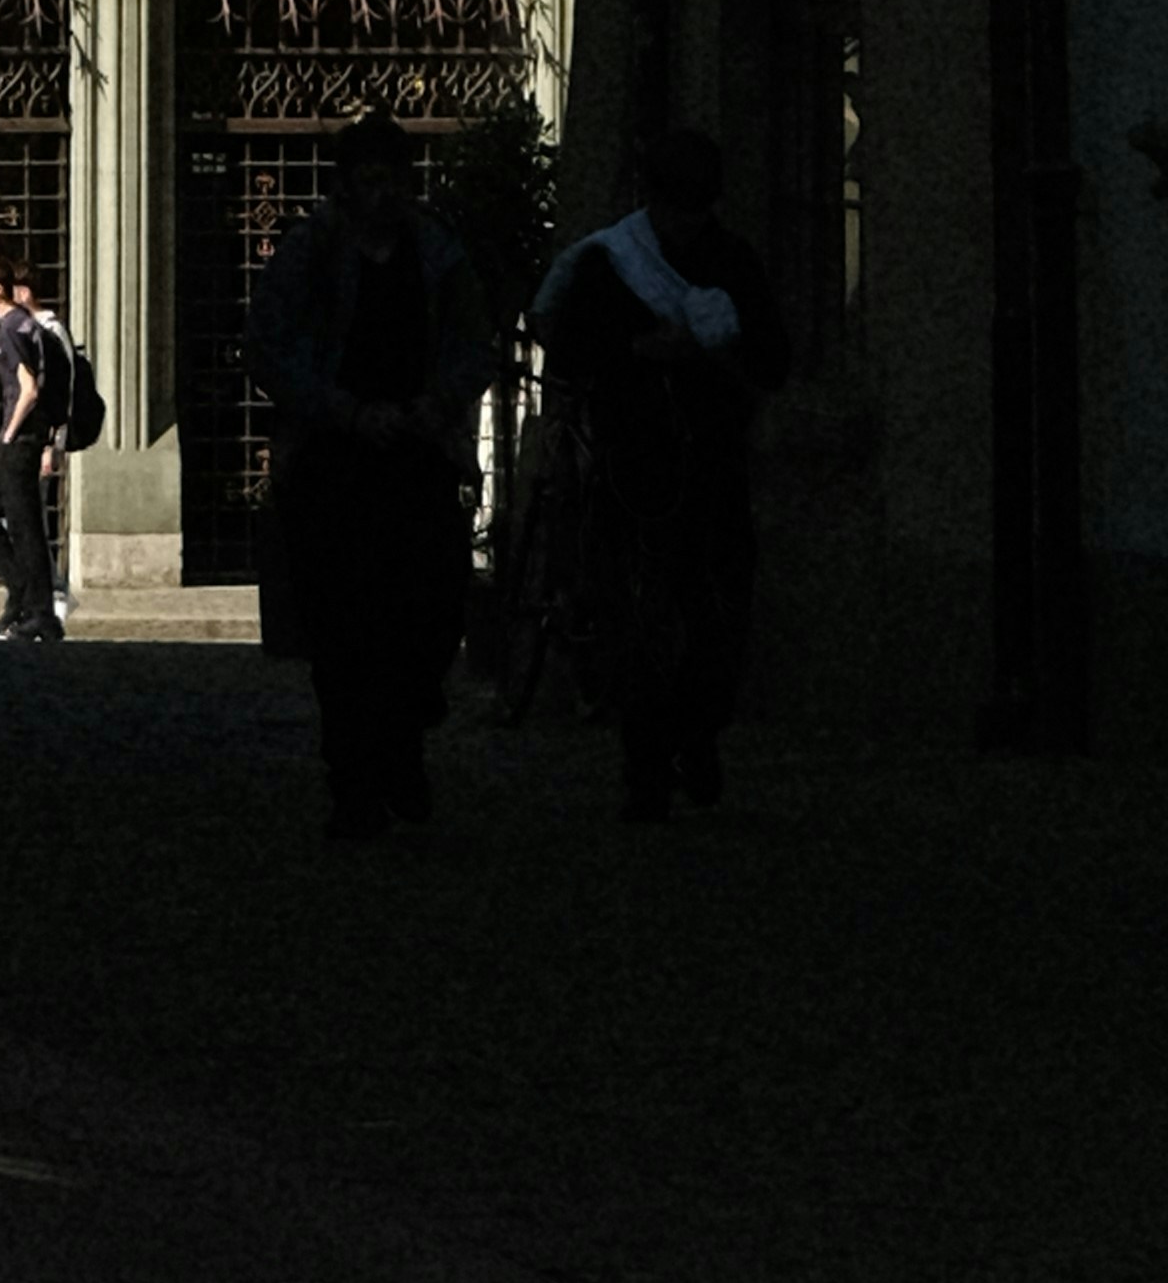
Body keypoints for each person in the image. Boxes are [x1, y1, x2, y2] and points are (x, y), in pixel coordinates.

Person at [247, 113, 497, 840]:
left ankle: (402, 742)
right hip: (333, 457)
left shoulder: (435, 251)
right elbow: (269, 346)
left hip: (417, 452)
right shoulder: (311, 250)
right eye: (370, 178)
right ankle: (353, 781)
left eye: (394, 177)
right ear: (347, 183)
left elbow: (470, 341)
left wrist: (434, 405)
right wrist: (343, 410)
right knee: (342, 630)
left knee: (426, 612)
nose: (382, 193)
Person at [531, 127, 793, 818]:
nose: (687, 220)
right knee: (638, 622)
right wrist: (640, 350)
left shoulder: (730, 259)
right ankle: (645, 765)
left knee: (719, 618)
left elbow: (772, 357)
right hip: (634, 465)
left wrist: (713, 349)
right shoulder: (613, 263)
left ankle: (695, 730)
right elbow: (572, 348)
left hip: (711, 462)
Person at [0, 242, 63, 652]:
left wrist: (10, 433)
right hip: (22, 439)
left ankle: (39, 612)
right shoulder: (26, 324)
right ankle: (23, 595)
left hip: (19, 440)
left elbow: (28, 388)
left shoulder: (11, 328)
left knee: (24, 529)